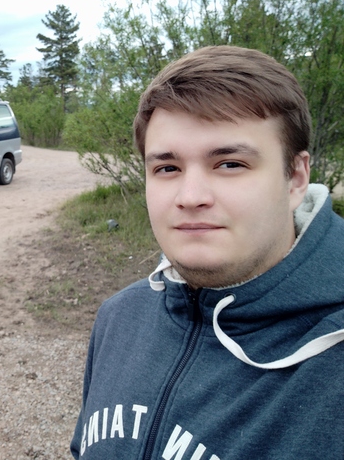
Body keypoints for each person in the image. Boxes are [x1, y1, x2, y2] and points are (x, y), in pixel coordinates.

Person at [70, 46, 344, 460]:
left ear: (295, 178)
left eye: (230, 164)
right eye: (167, 168)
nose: (191, 196)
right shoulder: (119, 318)